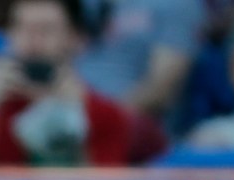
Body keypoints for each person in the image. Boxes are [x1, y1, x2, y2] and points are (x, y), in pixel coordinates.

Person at [0, 0, 155, 166]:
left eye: (46, 30)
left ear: (75, 38)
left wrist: (73, 121)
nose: (32, 41)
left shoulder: (104, 113)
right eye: (21, 28)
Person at [76, 0, 207, 120]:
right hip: (74, 102)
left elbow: (161, 90)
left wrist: (100, 116)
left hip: (121, 117)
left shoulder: (177, 4)